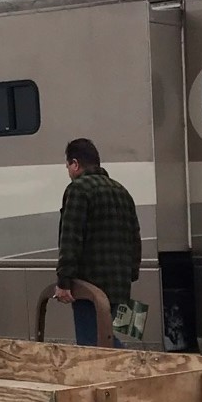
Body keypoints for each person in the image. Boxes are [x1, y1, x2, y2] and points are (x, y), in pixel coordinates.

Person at [54, 138, 141, 347]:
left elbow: (71, 237)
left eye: (67, 166)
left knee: (91, 344)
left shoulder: (78, 189)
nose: (68, 171)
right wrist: (131, 274)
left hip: (89, 285)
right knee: (108, 335)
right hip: (120, 284)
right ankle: (133, 367)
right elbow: (135, 236)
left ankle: (137, 368)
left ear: (75, 164)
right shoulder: (122, 191)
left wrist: (64, 281)